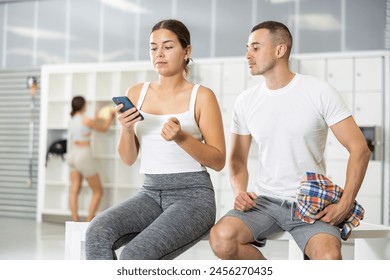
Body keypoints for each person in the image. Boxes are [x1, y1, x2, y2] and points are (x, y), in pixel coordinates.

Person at [209, 20, 371, 260]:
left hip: (310, 203)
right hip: (264, 203)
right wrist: (240, 191)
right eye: (247, 48)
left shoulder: (319, 91)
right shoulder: (245, 101)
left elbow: (360, 149)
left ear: (280, 50)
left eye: (255, 47)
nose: (247, 55)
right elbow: (237, 160)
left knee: (329, 258)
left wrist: (345, 203)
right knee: (221, 239)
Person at [85, 19, 225, 260]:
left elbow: (218, 160)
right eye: (153, 47)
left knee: (136, 255)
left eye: (168, 47)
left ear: (186, 51)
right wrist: (127, 130)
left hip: (193, 197)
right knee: (97, 232)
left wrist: (181, 137)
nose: (159, 54)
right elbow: (128, 159)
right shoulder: (136, 92)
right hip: (150, 193)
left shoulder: (201, 96)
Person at [67, 96, 114, 222]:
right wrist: (110, 114)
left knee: (74, 190)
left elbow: (95, 121)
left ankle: (75, 222)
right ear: (83, 106)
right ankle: (88, 223)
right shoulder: (85, 120)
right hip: (83, 154)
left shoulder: (71, 120)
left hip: (72, 154)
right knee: (98, 191)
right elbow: (104, 128)